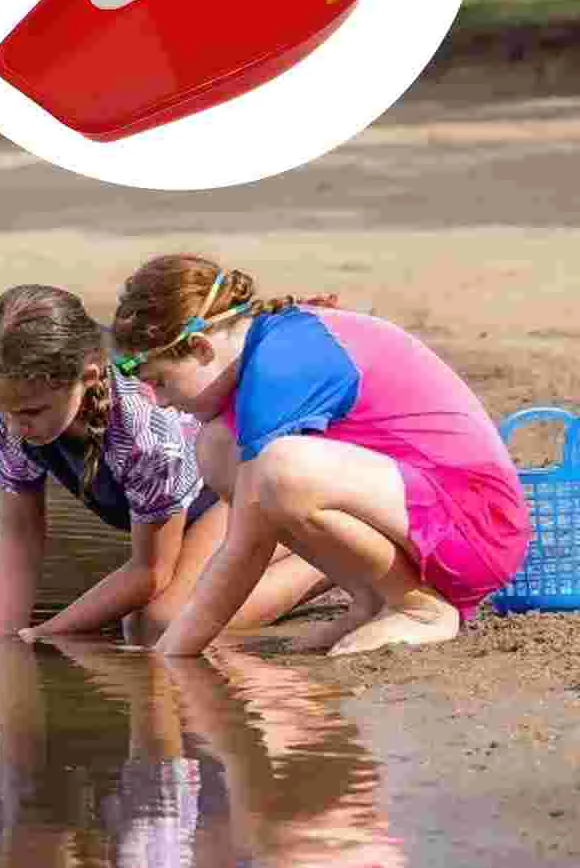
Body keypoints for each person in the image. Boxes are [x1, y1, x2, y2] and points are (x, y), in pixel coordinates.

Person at [108, 255, 532, 657]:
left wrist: (171, 655)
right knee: (218, 448)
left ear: (201, 349)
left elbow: (247, 547)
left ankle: (420, 608)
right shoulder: (267, 345)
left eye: (160, 381)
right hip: (427, 512)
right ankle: (371, 598)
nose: (158, 402)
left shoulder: (277, 367)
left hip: (478, 528)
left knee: (280, 471)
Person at [0, 284, 326, 642]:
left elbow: (151, 572)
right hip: (191, 515)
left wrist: (46, 633)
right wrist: (6, 638)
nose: (14, 427)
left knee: (160, 624)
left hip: (245, 484)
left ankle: (328, 563)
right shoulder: (16, 410)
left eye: (30, 412)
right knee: (141, 621)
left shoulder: (144, 427)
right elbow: (19, 531)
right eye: (1, 410)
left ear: (88, 377)